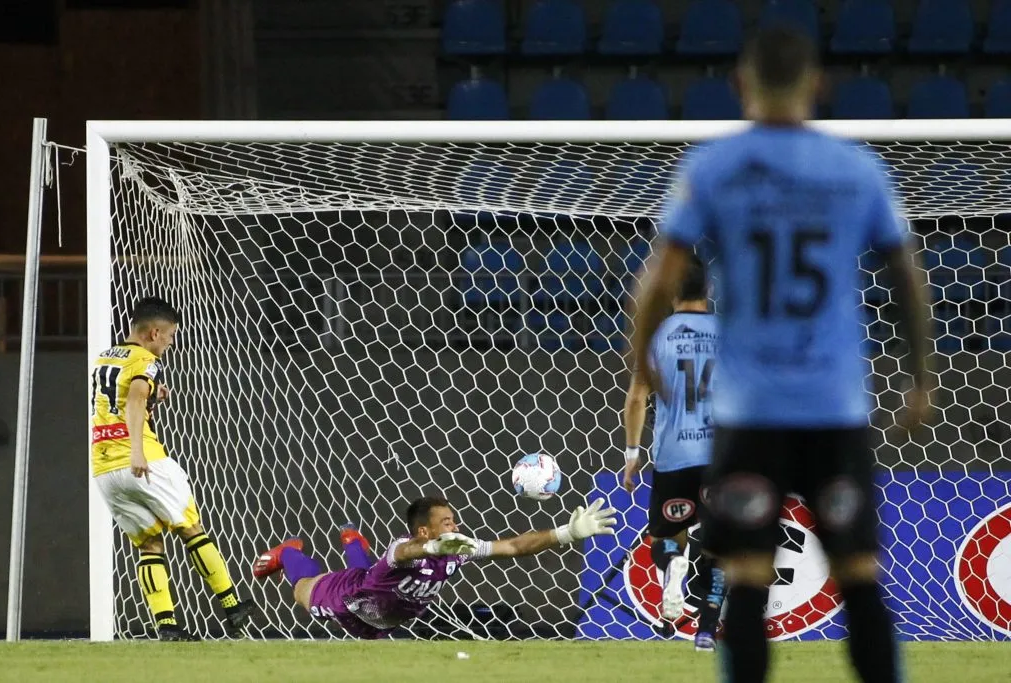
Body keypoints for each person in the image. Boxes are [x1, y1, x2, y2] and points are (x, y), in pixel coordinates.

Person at [630, 25, 932, 683]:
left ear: (739, 84)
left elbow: (658, 277)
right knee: (859, 579)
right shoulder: (857, 168)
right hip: (833, 408)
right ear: (819, 86)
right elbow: (906, 274)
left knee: (745, 579)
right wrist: (921, 374)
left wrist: (639, 356)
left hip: (751, 414)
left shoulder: (710, 168)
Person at [91, 297, 255, 640]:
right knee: (191, 527)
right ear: (154, 333)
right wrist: (137, 450)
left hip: (104, 467)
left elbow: (119, 398)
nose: (171, 342)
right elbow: (135, 399)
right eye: (170, 336)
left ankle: (167, 626)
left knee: (149, 544)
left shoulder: (106, 357)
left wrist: (153, 396)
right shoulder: (147, 360)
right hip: (143, 461)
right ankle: (231, 604)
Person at [253, 495, 615, 638]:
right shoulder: (402, 547)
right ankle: (288, 552)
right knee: (303, 589)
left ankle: (352, 541)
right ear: (425, 530)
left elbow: (514, 546)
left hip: (378, 610)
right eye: (447, 523)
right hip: (345, 599)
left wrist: (568, 532)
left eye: (454, 522)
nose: (455, 528)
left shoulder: (459, 548)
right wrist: (433, 545)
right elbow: (410, 551)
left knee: (367, 577)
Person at [622, 252, 724, 652]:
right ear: (709, 289)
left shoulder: (657, 334)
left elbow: (636, 399)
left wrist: (632, 454)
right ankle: (705, 634)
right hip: (722, 457)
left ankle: (673, 570)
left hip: (673, 457)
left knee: (666, 538)